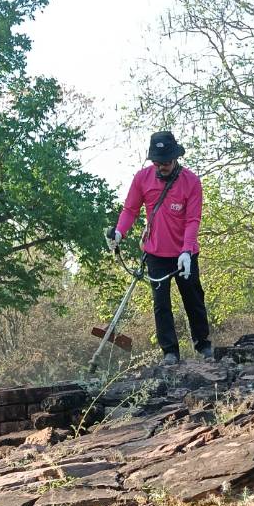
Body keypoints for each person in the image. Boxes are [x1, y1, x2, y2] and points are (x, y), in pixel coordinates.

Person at [107, 130, 212, 364]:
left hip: (185, 254)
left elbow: (193, 219)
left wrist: (187, 250)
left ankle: (203, 345)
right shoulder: (141, 178)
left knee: (194, 299)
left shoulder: (191, 182)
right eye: (157, 162)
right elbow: (130, 210)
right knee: (161, 304)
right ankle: (170, 352)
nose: (161, 166)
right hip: (155, 253)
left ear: (174, 159)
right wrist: (119, 232)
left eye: (165, 162)